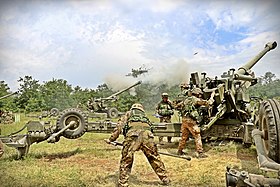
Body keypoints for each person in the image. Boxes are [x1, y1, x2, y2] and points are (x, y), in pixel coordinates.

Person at [105, 103, 170, 187]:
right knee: (154, 157)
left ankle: (123, 183)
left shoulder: (129, 113)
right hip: (148, 136)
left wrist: (111, 139)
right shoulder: (144, 117)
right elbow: (150, 128)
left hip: (133, 135)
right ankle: (165, 179)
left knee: (126, 159)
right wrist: (146, 144)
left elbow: (119, 127)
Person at [176, 87, 215, 158]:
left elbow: (177, 106)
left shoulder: (186, 100)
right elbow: (208, 103)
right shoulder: (196, 100)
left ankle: (179, 151)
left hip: (184, 120)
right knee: (197, 136)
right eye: (200, 94)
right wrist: (212, 96)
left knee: (184, 137)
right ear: (198, 94)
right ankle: (200, 153)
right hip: (191, 121)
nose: (200, 95)